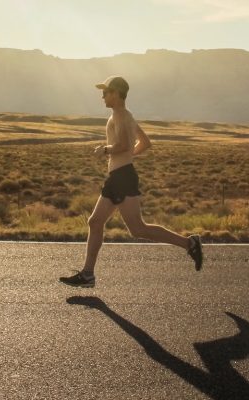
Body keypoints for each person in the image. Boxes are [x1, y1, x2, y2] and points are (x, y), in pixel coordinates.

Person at [59, 76, 203, 288]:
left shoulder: (120, 115)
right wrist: (126, 158)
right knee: (96, 222)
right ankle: (87, 274)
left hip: (123, 177)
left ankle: (190, 243)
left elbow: (125, 143)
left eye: (106, 92)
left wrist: (106, 150)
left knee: (137, 229)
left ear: (116, 94)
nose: (102, 96)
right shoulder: (126, 116)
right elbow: (144, 143)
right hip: (119, 175)